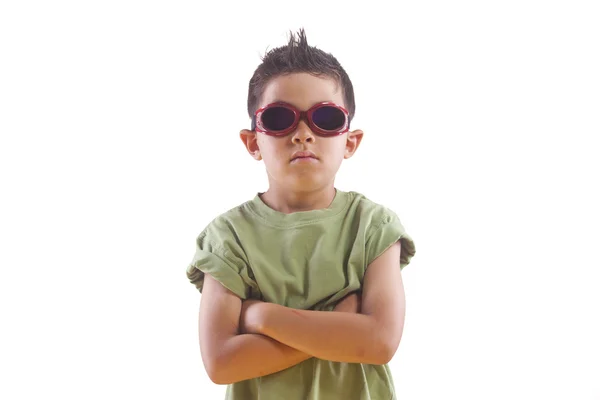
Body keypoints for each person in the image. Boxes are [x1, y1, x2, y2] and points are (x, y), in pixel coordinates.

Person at [186, 28, 416, 400]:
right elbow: (221, 363)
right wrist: (341, 327)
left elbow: (380, 342)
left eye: (326, 118)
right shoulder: (229, 236)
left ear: (350, 141)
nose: (303, 133)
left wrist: (261, 317)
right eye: (279, 119)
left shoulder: (373, 227)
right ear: (253, 141)